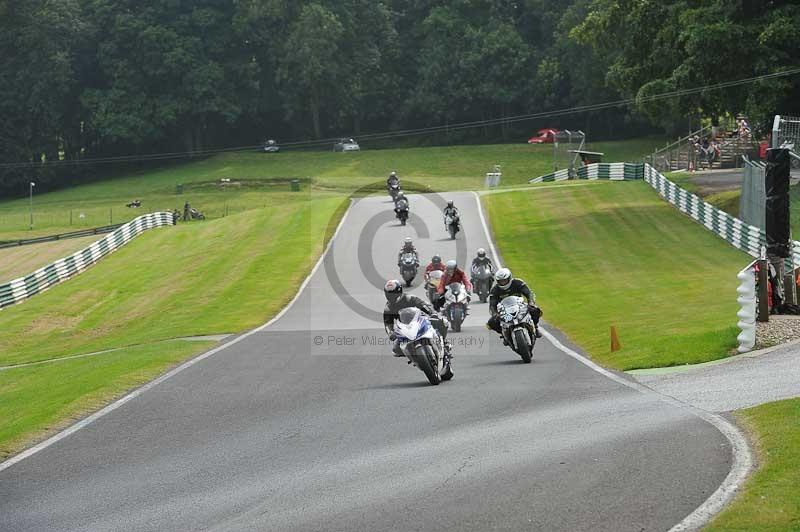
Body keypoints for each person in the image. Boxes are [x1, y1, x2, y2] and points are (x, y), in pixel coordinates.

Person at [383, 280, 452, 358]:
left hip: (419, 321)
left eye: (393, 293)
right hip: (405, 328)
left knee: (441, 322)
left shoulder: (409, 298)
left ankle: (444, 343)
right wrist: (391, 333)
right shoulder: (388, 308)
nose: (392, 296)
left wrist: (432, 313)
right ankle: (413, 357)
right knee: (396, 350)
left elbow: (423, 304)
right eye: (389, 294)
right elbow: (387, 324)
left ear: (399, 291)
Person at [486, 268, 542, 338]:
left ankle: (535, 327)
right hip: (504, 310)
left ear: (509, 278)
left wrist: (531, 302)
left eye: (504, 280)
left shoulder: (518, 282)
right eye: (501, 281)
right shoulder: (495, 290)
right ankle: (504, 333)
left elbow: (529, 293)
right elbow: (492, 304)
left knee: (536, 310)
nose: (503, 283)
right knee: (490, 323)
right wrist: (495, 314)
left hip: (520, 306)